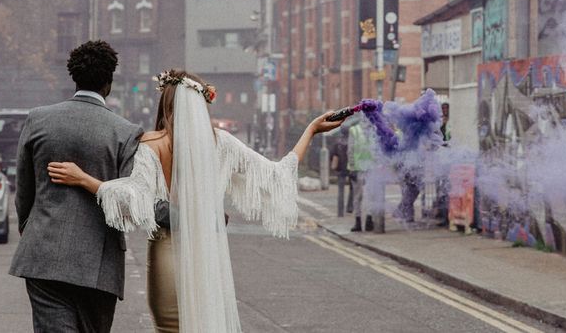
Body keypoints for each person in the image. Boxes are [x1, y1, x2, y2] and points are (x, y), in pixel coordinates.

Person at [47, 68, 345, 333]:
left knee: (168, 328)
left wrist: (84, 180)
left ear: (165, 105)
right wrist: (311, 131)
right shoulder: (221, 143)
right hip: (208, 256)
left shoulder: (151, 145)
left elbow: (132, 199)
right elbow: (277, 176)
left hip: (167, 252)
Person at [9, 40, 143, 333]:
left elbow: (24, 189)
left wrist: (28, 225)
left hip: (44, 252)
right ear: (109, 82)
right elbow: (126, 201)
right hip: (99, 262)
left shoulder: (38, 119)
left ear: (74, 77)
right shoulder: (126, 133)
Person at [347, 120, 374, 232]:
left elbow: (350, 150)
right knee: (368, 196)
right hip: (366, 169)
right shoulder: (372, 129)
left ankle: (359, 223)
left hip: (360, 169)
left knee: (358, 197)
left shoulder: (355, 130)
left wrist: (352, 168)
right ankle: (368, 221)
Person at [329, 126, 351, 216]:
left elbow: (331, 155)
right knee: (353, 189)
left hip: (340, 169)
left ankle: (340, 212)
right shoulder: (351, 142)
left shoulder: (337, 142)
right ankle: (350, 207)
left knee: (340, 191)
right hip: (351, 168)